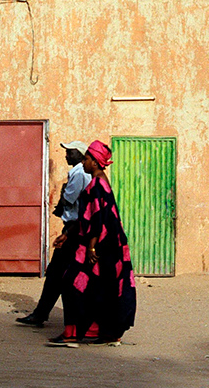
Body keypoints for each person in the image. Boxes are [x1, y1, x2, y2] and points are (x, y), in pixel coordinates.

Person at [49, 139, 137, 346]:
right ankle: (99, 331)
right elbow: (88, 216)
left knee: (73, 283)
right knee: (101, 288)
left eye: (87, 159)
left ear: (95, 163)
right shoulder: (99, 183)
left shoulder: (97, 186)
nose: (84, 163)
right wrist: (68, 233)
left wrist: (91, 247)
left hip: (101, 247)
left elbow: (98, 218)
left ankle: (72, 334)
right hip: (107, 246)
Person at [15, 141, 90, 327]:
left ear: (80, 156)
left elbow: (68, 199)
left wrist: (64, 194)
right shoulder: (79, 173)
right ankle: (41, 313)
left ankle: (59, 320)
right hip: (73, 228)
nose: (67, 156)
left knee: (60, 274)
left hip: (74, 229)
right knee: (57, 273)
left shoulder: (79, 173)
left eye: (70, 153)